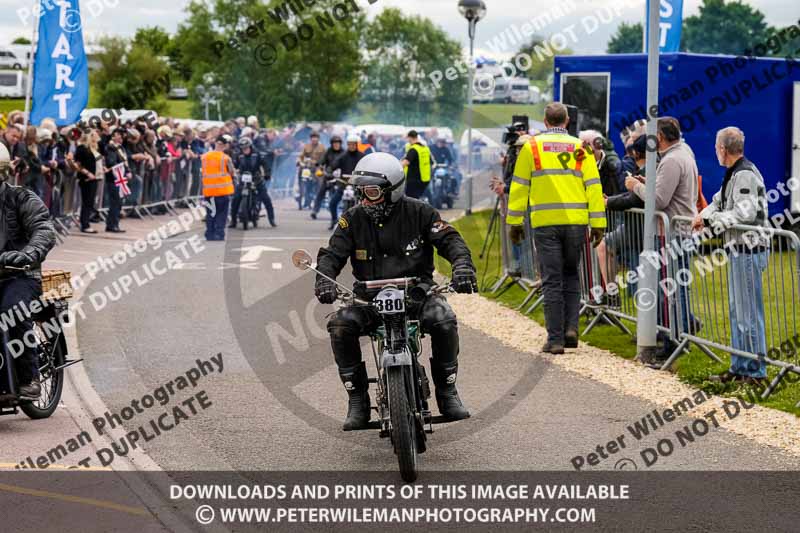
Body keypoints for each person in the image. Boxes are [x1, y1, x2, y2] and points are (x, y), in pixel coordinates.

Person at [315, 152, 478, 430]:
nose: (365, 199)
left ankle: (447, 391)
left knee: (443, 319)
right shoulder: (351, 219)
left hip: (417, 295)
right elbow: (331, 254)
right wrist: (324, 279)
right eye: (361, 192)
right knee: (340, 325)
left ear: (392, 189)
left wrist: (462, 265)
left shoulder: (421, 212)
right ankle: (357, 400)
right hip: (368, 299)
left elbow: (450, 239)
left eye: (372, 192)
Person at [506, 102, 606, 354]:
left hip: (545, 224)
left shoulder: (532, 147)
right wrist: (598, 224)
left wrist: (514, 222)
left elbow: (519, 186)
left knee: (551, 280)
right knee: (572, 274)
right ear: (568, 121)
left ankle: (555, 339)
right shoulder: (580, 148)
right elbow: (593, 187)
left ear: (545, 121)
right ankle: (571, 329)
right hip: (575, 223)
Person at [693, 127, 769, 385]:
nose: (715, 151)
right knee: (738, 312)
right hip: (738, 249)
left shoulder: (744, 174)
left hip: (749, 249)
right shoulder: (734, 173)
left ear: (723, 149)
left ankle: (756, 372)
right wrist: (702, 216)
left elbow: (744, 213)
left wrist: (711, 219)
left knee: (748, 313)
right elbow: (717, 200)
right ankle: (740, 366)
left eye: (716, 147)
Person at [625, 117, 700, 366]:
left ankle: (673, 342)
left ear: (659, 138)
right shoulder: (683, 152)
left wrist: (636, 186)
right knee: (675, 288)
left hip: (672, 234)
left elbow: (658, 201)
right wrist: (649, 183)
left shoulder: (670, 160)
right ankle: (676, 337)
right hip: (678, 232)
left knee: (671, 290)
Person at [0, 142, 57, 399]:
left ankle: (29, 377)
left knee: (10, 310)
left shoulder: (20, 197)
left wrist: (27, 254)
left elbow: (44, 229)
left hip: (20, 274)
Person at [230, 137, 277, 228]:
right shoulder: (239, 156)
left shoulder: (257, 154)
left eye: (246, 147)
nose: (245, 150)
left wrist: (267, 173)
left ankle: (272, 219)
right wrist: (233, 172)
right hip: (243, 179)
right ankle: (233, 220)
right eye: (243, 148)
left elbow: (265, 164)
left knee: (265, 198)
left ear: (250, 146)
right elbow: (233, 166)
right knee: (236, 198)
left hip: (256, 179)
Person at [323, 134, 364, 230]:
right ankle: (334, 220)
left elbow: (368, 166)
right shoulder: (343, 156)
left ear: (356, 144)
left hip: (357, 185)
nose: (351, 146)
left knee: (365, 205)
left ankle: (363, 224)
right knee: (332, 203)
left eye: (353, 144)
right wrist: (329, 171)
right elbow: (333, 165)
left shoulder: (362, 156)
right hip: (344, 184)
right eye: (349, 144)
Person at [201, 135, 235, 241]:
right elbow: (232, 171)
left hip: (209, 192)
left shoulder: (205, 157)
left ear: (215, 144)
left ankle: (209, 234)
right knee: (221, 214)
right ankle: (219, 234)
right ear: (224, 146)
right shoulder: (226, 158)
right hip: (222, 192)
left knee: (211, 213)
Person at [73, 129, 103, 233]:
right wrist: (87, 173)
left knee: (90, 201)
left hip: (96, 177)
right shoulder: (82, 148)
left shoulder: (94, 148)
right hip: (86, 178)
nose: (97, 137)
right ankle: (85, 224)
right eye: (94, 135)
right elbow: (77, 164)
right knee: (87, 201)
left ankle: (85, 222)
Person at [310, 135, 344, 221]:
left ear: (340, 144)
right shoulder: (328, 151)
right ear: (332, 144)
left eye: (338, 143)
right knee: (320, 192)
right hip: (328, 175)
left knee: (338, 195)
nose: (336, 145)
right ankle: (315, 211)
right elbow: (322, 160)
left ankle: (340, 212)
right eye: (334, 143)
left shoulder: (344, 152)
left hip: (339, 177)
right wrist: (318, 164)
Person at [103, 127, 130, 233]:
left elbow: (125, 160)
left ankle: (114, 223)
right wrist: (122, 167)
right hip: (113, 177)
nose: (121, 137)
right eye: (118, 135)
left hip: (121, 177)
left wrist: (128, 171)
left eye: (122, 135)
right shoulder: (111, 148)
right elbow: (111, 161)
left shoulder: (120, 148)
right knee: (115, 201)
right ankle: (112, 224)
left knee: (119, 202)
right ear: (113, 136)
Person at [297, 131, 326, 209]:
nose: (314, 139)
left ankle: (320, 201)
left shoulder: (322, 147)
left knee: (320, 183)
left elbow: (325, 158)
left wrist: (321, 165)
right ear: (310, 139)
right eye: (313, 137)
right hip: (307, 168)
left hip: (317, 168)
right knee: (303, 181)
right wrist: (299, 162)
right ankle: (302, 198)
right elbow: (300, 156)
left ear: (318, 139)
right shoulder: (306, 147)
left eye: (316, 137)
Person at [402, 130, 433, 200]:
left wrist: (396, 168)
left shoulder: (413, 149)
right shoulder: (425, 148)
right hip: (425, 179)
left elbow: (406, 162)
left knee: (410, 200)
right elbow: (431, 162)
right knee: (418, 198)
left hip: (413, 179)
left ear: (410, 137)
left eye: (408, 138)